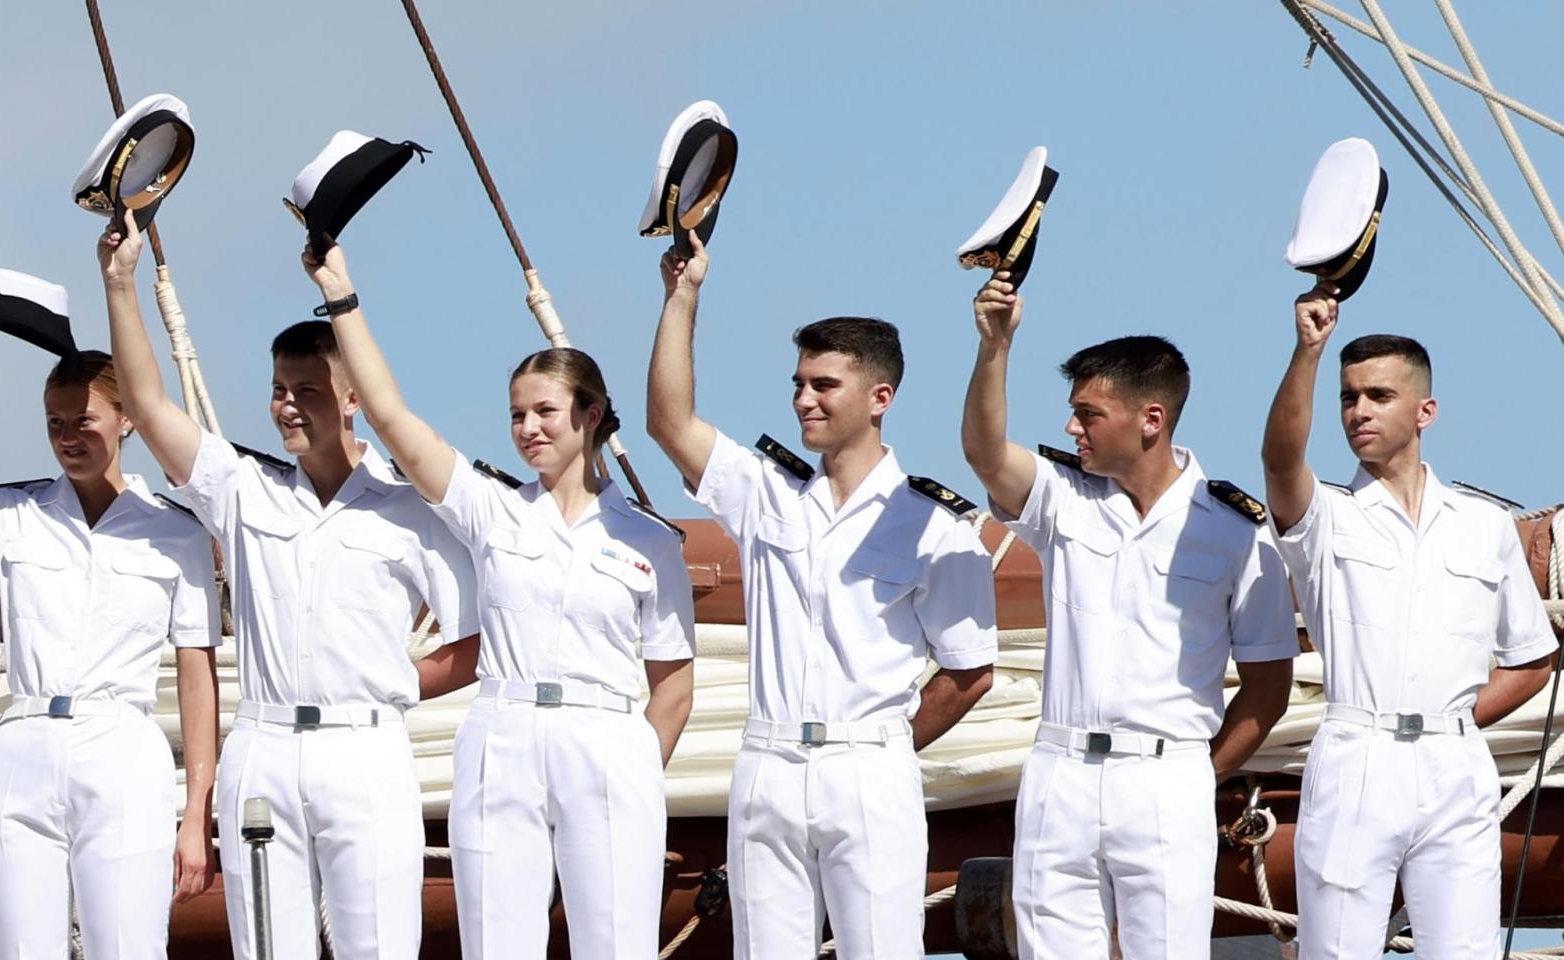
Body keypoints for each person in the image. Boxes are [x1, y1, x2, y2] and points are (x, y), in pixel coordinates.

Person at [98, 210, 480, 960]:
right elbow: (146, 405)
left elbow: (476, 642)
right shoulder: (243, 490)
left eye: (306, 390)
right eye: (278, 388)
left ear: (351, 399)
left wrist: (394, 681)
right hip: (264, 751)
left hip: (366, 754)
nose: (286, 405)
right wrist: (119, 282)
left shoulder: (411, 511)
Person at [303, 238, 695, 958]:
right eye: (517, 415)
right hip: (503, 737)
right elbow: (391, 417)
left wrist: (633, 765)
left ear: (591, 413)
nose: (527, 429)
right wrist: (341, 297)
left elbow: (672, 687)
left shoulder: (652, 542)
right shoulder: (492, 511)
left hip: (606, 741)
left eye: (545, 411)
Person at [647, 232, 999, 960]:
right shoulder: (766, 494)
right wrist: (682, 296)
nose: (803, 399)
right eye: (799, 383)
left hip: (869, 770)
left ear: (880, 398)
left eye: (823, 385)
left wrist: (888, 745)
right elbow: (670, 424)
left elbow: (971, 673)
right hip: (767, 765)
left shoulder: (935, 526)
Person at [960, 273, 1297, 959]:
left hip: (1167, 776)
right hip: (1061, 770)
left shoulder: (1234, 529)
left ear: (1152, 419)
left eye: (1088, 413)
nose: (1070, 427)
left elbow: (1269, 684)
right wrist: (995, 346)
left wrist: (1199, 774)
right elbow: (986, 455)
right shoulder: (1063, 499)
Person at [0, 316, 220, 960]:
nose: (67, 436)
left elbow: (196, 671)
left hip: (124, 749)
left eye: (83, 419)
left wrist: (198, 809)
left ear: (128, 421)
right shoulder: (11, 516)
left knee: (130, 948)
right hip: (21, 751)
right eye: (54, 422)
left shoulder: (180, 533)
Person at [1262, 284, 1557, 959]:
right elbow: (1280, 461)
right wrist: (1309, 352)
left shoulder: (1484, 527)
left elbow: (1532, 658)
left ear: (1425, 410)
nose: (1357, 410)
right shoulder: (1326, 519)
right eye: (1348, 397)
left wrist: (1451, 723)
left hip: (1454, 764)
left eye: (1377, 396)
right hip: (1356, 757)